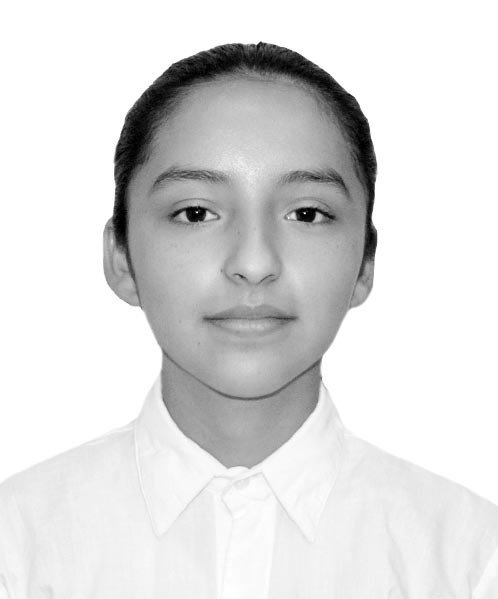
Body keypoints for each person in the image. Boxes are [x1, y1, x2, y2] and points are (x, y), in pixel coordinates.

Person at [0, 41, 497, 598]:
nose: (255, 263)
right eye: (196, 212)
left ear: (365, 263)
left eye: (306, 213)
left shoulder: (470, 562)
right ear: (121, 258)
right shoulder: (18, 552)